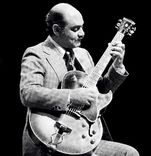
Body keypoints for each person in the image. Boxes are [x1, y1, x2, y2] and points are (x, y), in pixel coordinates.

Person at [19, 2, 139, 156]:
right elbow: (28, 93)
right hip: (51, 138)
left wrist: (118, 66)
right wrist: (71, 97)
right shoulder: (37, 54)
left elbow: (99, 93)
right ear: (57, 29)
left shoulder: (83, 54)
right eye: (75, 29)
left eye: (82, 27)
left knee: (129, 153)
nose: (82, 33)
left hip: (84, 137)